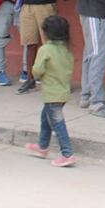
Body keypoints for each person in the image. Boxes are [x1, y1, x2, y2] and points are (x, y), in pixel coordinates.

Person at [26, 15, 77, 167]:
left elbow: (37, 71)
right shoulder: (66, 50)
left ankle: (67, 153)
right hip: (62, 92)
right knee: (45, 118)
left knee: (57, 123)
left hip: (51, 93)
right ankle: (42, 147)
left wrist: (35, 74)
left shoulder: (45, 49)